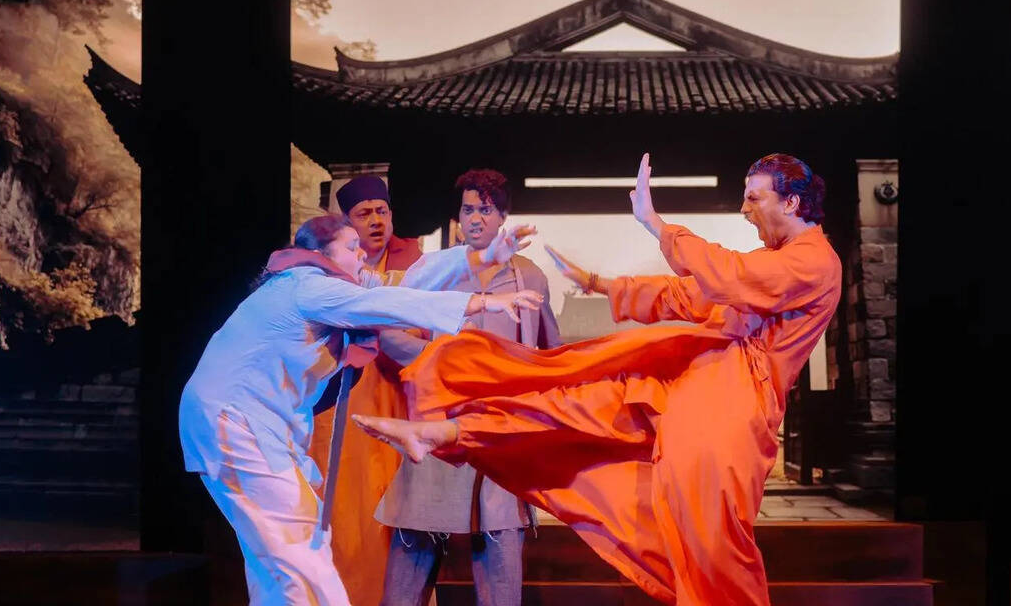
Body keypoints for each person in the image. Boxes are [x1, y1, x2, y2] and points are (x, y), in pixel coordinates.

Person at [354, 153, 843, 606]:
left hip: (729, 412)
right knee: (573, 400)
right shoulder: (775, 263)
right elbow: (689, 295)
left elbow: (728, 276)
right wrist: (597, 283)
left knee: (712, 545)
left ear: (791, 202)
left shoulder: (812, 261)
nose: (744, 209)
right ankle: (449, 431)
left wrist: (655, 223)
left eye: (754, 198)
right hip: (693, 385)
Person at [179, 213, 542, 606]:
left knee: (280, 554)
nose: (362, 255)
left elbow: (406, 284)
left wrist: (482, 257)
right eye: (352, 248)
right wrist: (481, 302)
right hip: (235, 422)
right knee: (300, 544)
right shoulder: (309, 287)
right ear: (323, 254)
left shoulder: (321, 285)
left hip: (249, 424)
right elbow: (385, 301)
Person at [375, 169, 562, 606]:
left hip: (498, 433)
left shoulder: (529, 277)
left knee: (500, 553)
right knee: (411, 556)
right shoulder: (438, 270)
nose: (475, 219)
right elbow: (387, 331)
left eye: (486, 210)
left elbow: (550, 353)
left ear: (503, 216)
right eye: (468, 209)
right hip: (436, 428)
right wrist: (438, 359)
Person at [317, 173, 425, 606]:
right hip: (342, 408)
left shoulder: (414, 269)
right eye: (364, 214)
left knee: (396, 518)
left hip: (397, 404)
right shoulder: (327, 274)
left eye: (382, 211)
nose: (377, 221)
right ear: (347, 223)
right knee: (344, 516)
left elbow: (422, 336)